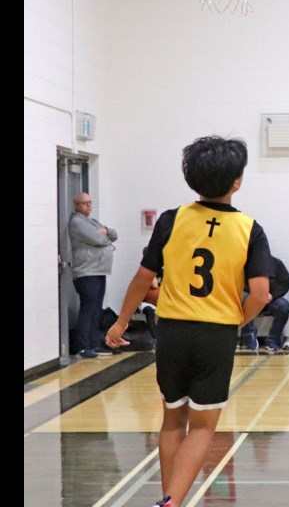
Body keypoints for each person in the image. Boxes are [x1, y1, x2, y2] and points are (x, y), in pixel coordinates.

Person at [104, 136, 273, 507]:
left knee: (171, 422)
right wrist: (237, 323)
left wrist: (120, 322)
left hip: (173, 331)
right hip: (215, 333)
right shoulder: (250, 229)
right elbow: (260, 294)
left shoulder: (172, 219)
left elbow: (142, 278)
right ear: (237, 182)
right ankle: (170, 503)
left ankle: (169, 500)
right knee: (202, 427)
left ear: (192, 182)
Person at [68, 192, 119, 358]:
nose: (89, 206)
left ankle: (94, 344)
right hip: (86, 272)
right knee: (88, 309)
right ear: (77, 205)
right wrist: (104, 234)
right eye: (84, 203)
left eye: (90, 202)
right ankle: (83, 346)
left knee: (96, 309)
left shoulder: (92, 221)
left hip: (99, 271)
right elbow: (99, 239)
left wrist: (105, 231)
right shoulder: (76, 222)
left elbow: (113, 234)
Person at [239, 255, 289, 353]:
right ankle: (249, 334)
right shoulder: (246, 265)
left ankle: (273, 340)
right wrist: (258, 294)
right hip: (253, 299)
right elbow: (240, 283)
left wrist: (272, 295)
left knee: (284, 306)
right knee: (242, 298)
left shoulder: (277, 263)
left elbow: (285, 283)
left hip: (270, 300)